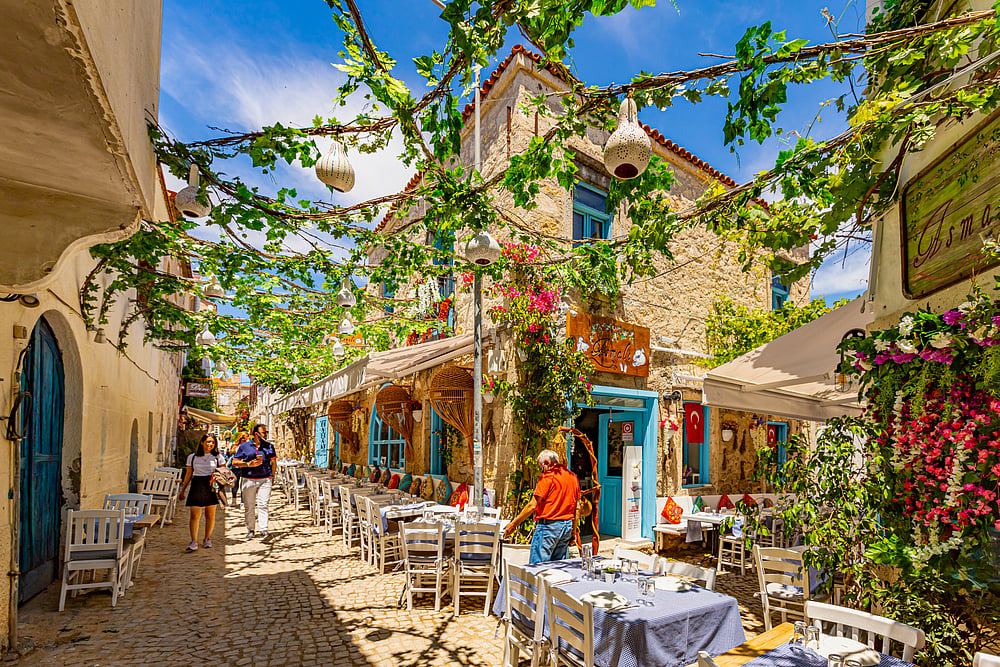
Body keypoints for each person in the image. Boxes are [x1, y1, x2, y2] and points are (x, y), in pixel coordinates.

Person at [503, 449, 581, 564]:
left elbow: (532, 505)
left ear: (546, 463)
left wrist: (514, 524)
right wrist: (573, 531)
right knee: (558, 568)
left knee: (538, 568)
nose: (541, 470)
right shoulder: (572, 476)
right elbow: (577, 508)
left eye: (541, 467)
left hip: (549, 526)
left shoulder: (548, 476)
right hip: (566, 527)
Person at [178, 433, 227, 552]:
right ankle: (194, 541)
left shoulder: (218, 457)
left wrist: (218, 477)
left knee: (210, 515)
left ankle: (207, 538)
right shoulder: (192, 457)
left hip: (211, 486)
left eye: (213, 442)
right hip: (196, 485)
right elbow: (189, 474)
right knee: (194, 515)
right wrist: (183, 489)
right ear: (202, 442)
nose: (210, 444)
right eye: (208, 441)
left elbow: (225, 472)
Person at [231, 423, 277, 540]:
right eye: (264, 432)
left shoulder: (269, 446)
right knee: (249, 506)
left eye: (267, 432)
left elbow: (273, 463)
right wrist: (247, 464)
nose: (266, 434)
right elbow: (234, 462)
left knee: (263, 504)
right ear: (256, 434)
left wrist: (272, 476)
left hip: (265, 479)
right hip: (248, 479)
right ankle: (250, 529)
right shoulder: (244, 446)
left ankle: (263, 529)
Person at [228, 431, 251, 506]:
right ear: (240, 438)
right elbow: (231, 455)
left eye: (246, 436)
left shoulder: (250, 446)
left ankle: (242, 502)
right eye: (243, 437)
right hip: (236, 468)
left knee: (244, 486)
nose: (244, 438)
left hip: (245, 467)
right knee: (235, 485)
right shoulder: (235, 446)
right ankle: (234, 500)